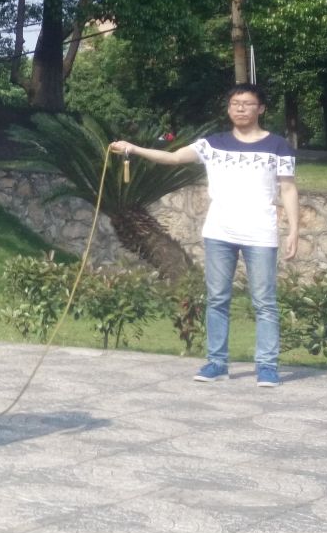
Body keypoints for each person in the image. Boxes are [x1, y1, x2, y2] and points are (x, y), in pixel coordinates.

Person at [111, 83, 297, 387]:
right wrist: (133, 148)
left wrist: (294, 230)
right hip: (219, 232)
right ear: (229, 108)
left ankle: (266, 366)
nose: (240, 108)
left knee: (264, 301)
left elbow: (288, 189)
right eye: (235, 103)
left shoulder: (277, 146)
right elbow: (173, 158)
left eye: (247, 103)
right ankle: (217, 363)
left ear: (261, 108)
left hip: (261, 233)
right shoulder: (213, 144)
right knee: (217, 298)